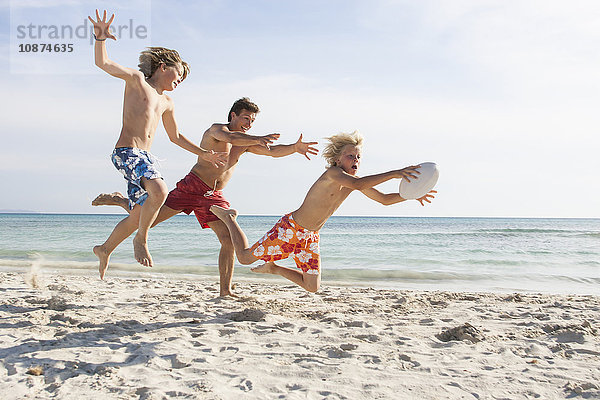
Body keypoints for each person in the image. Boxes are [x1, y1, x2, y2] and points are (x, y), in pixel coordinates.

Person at [92, 97, 319, 296]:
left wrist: (294, 148)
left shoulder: (245, 143)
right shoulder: (217, 131)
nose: (249, 125)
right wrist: (257, 137)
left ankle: (225, 290)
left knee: (228, 241)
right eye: (246, 119)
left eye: (252, 121)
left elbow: (272, 151)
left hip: (213, 196)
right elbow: (231, 136)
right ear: (233, 115)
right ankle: (122, 204)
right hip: (191, 188)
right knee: (147, 221)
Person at [210, 131, 436, 293]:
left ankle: (274, 268)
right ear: (338, 159)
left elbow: (384, 200)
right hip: (291, 229)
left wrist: (411, 195)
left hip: (310, 237)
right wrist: (396, 172)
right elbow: (358, 185)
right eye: (350, 155)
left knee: (312, 287)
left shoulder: (354, 181)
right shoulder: (333, 174)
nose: (355, 160)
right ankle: (230, 219)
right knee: (244, 257)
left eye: (358, 157)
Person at [88, 9, 228, 271]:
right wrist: (100, 39)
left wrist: (204, 153)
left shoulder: (167, 102)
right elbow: (104, 64)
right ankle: (141, 239)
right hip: (127, 152)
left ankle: (104, 248)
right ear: (163, 67)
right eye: (178, 75)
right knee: (160, 191)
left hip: (146, 157)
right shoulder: (137, 80)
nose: (180, 82)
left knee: (140, 214)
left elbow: (175, 137)